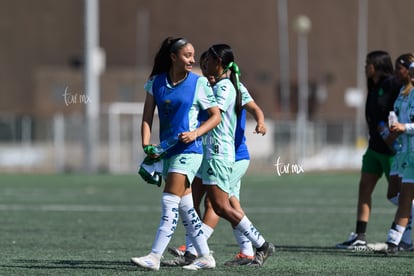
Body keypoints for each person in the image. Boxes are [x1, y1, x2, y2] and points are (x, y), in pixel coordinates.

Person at [163, 50, 268, 267]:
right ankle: (195, 252)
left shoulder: (227, 87)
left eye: (207, 62)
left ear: (218, 63)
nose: (204, 66)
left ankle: (258, 245)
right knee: (193, 201)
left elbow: (215, 116)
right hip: (207, 152)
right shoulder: (210, 85)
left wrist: (260, 121)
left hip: (224, 153)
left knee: (219, 204)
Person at [130, 37, 221, 271]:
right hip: (167, 151)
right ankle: (205, 256)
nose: (192, 60)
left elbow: (215, 116)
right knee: (186, 207)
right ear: (173, 57)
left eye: (193, 55)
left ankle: (154, 256)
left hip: (190, 151)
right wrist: (146, 145)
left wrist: (195, 133)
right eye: (187, 55)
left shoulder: (199, 83)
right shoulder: (155, 82)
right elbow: (147, 117)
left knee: (169, 200)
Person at [336, 50, 401, 249]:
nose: (366, 67)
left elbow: (399, 110)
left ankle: (401, 236)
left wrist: (393, 132)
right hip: (374, 148)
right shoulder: (373, 86)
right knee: (364, 188)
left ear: (379, 64)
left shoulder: (392, 83)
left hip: (392, 151)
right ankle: (360, 236)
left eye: (369, 63)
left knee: (399, 196)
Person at [381, 59, 414, 254]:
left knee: (405, 200)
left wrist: (405, 127)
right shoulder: (409, 95)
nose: (411, 77)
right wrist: (395, 127)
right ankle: (393, 243)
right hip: (408, 155)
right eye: (410, 73)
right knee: (404, 200)